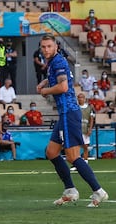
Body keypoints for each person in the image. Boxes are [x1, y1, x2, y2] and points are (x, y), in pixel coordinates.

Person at [36, 34, 108, 207]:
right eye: (43, 46)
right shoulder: (55, 62)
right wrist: (45, 81)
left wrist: (45, 91)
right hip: (65, 113)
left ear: (56, 47)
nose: (46, 49)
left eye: (49, 46)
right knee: (51, 152)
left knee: (72, 156)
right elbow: (62, 78)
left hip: (69, 112)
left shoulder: (58, 62)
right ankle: (70, 189)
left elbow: (63, 86)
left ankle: (98, 191)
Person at [70, 93, 95, 171]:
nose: (80, 99)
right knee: (76, 147)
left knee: (85, 147)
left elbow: (91, 119)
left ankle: (85, 163)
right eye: (79, 97)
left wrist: (90, 129)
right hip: (77, 129)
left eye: (81, 97)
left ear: (84, 98)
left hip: (85, 130)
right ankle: (77, 165)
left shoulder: (89, 108)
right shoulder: (75, 108)